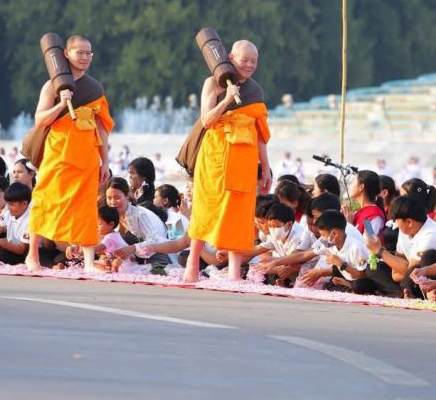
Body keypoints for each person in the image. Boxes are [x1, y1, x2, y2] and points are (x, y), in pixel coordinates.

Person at [185, 40, 271, 283]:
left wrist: (265, 167)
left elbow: (260, 134)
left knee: (239, 213)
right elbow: (206, 121)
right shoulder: (212, 82)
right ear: (231, 58)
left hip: (244, 159)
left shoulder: (255, 91)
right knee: (206, 207)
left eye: (254, 61)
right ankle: (192, 263)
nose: (250, 65)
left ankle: (234, 272)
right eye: (245, 60)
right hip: (215, 157)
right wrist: (226, 99)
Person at [27, 35, 113, 273]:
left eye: (89, 53)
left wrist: (104, 161)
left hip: (86, 156)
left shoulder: (94, 88)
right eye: (80, 53)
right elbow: (40, 120)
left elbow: (102, 130)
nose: (85, 58)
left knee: (86, 207)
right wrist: (61, 105)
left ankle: (87, 262)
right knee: (45, 200)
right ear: (66, 54)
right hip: (58, 154)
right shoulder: (51, 86)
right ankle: (32, 254)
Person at [102, 177, 169, 267]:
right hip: (137, 261)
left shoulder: (138, 214)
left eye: (117, 197)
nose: (112, 202)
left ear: (127, 196)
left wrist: (132, 248)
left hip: (157, 257)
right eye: (109, 198)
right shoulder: (113, 216)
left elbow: (155, 239)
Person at [299, 210, 370, 291]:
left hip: (361, 280)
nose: (322, 239)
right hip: (348, 279)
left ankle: (350, 286)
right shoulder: (333, 246)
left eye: (323, 236)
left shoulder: (356, 247)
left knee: (359, 285)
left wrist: (341, 264)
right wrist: (320, 272)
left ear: (335, 234)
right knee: (327, 286)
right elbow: (304, 255)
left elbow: (361, 276)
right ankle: (348, 285)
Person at [249, 202, 316, 287]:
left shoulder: (298, 237)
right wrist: (235, 252)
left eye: (276, 227)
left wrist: (268, 266)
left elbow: (297, 260)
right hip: (292, 271)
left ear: (289, 225)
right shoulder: (276, 235)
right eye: (270, 226)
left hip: (308, 273)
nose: (272, 229)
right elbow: (258, 249)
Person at [346, 170, 385, 235]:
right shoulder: (359, 212)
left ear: (361, 187)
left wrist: (349, 224)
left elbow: (370, 241)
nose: (349, 186)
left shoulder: (372, 215)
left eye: (352, 182)